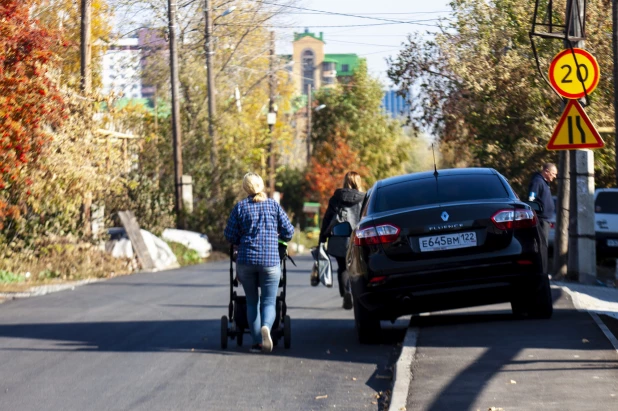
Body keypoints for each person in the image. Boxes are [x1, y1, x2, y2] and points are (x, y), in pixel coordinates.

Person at [224, 172, 294, 353]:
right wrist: (276, 235)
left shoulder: (240, 208)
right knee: (269, 301)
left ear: (245, 188)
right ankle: (266, 327)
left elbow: (229, 235)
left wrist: (242, 237)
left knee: (251, 301)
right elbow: (288, 231)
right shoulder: (273, 206)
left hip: (246, 261)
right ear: (262, 185)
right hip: (270, 262)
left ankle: (256, 343)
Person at [319, 171, 365, 310]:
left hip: (339, 238)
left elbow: (328, 218)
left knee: (343, 268)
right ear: (358, 182)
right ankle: (359, 295)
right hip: (359, 238)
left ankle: (346, 292)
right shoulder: (365, 198)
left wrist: (322, 237)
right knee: (359, 268)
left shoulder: (336, 198)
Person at [528, 162, 557, 247]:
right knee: (542, 244)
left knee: (544, 243)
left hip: (546, 219)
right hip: (541, 219)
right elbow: (531, 198)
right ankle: (541, 260)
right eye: (553, 174)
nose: (555, 176)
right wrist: (536, 213)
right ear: (546, 171)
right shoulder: (538, 182)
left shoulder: (545, 183)